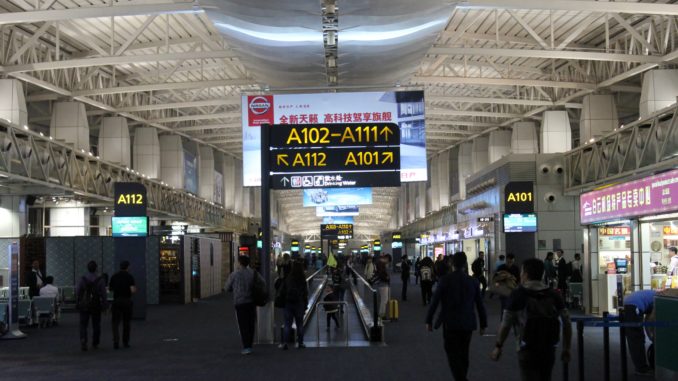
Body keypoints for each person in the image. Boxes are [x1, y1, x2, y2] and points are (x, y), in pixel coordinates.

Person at [491, 258, 572, 381]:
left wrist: (498, 346)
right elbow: (567, 322)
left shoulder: (518, 294)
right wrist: (566, 348)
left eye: (522, 272)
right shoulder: (553, 294)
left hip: (526, 347)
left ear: (526, 274)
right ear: (542, 274)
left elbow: (506, 323)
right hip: (549, 346)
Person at [426, 252, 487, 381]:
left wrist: (429, 320)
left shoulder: (445, 280)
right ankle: (462, 377)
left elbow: (434, 301)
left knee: (452, 353)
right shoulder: (473, 281)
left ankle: (460, 379)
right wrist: (483, 324)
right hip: (468, 323)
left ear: (452, 264)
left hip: (450, 323)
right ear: (465, 265)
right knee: (464, 353)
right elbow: (480, 305)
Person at [225, 255, 263, 355]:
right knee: (251, 324)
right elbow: (262, 283)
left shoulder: (234, 274)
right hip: (251, 302)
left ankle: (246, 347)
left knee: (243, 324)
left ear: (239, 262)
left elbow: (227, 287)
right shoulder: (253, 273)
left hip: (240, 303)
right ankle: (250, 344)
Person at [622, 289, 657, 376]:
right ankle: (641, 369)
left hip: (629, 304)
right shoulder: (658, 299)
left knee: (635, 338)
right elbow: (651, 319)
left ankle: (641, 367)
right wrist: (652, 338)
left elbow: (647, 321)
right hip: (634, 306)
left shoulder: (653, 295)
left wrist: (650, 337)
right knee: (636, 339)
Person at [76, 261, 108, 351]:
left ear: (87, 268)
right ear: (96, 268)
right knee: (96, 325)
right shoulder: (100, 280)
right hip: (95, 304)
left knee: (83, 324)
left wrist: (78, 301)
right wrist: (105, 306)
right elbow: (104, 295)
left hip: (84, 304)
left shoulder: (82, 279)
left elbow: (78, 292)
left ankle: (83, 340)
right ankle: (95, 343)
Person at [279, 261, 308, 350]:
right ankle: (301, 343)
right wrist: (305, 304)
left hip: (288, 303)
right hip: (299, 303)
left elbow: (283, 290)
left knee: (287, 324)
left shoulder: (288, 277)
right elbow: (305, 293)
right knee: (300, 324)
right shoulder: (302, 278)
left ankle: (285, 343)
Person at [109, 260, 136, 349]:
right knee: (126, 322)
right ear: (128, 267)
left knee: (115, 323)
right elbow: (133, 290)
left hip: (117, 301)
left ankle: (116, 342)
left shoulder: (114, 276)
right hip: (126, 301)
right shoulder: (130, 277)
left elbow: (110, 289)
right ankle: (125, 342)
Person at [495, 253, 520, 319]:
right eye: (508, 262)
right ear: (506, 260)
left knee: (514, 308)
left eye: (511, 262)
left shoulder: (516, 268)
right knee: (504, 307)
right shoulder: (501, 267)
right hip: (504, 290)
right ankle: (503, 323)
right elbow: (496, 279)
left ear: (513, 261)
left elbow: (518, 279)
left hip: (513, 290)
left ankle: (512, 324)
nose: (510, 264)